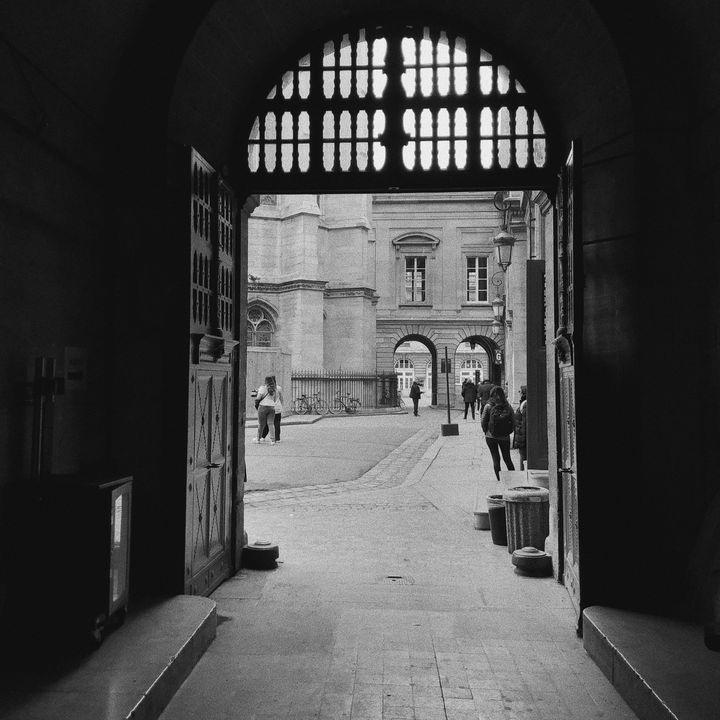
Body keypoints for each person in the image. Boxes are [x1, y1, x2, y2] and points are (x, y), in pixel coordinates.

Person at [481, 385, 516, 481]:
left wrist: (486, 431)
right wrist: (509, 431)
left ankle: (500, 480)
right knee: (507, 458)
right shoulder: (507, 406)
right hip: (504, 436)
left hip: (490, 436)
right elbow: (513, 420)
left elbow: (483, 421)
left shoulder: (488, 406)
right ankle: (514, 479)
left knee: (496, 459)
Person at [253, 375, 276, 444]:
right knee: (271, 424)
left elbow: (258, 398)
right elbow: (274, 399)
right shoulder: (274, 389)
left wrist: (257, 394)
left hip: (263, 406)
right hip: (272, 407)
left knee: (261, 424)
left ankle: (258, 439)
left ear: (265, 381)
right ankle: (272, 440)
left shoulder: (262, 388)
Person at [261, 375, 283, 443]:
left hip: (270, 407)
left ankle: (263, 436)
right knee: (277, 423)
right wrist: (281, 405)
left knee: (268, 423)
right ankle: (277, 438)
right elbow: (281, 398)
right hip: (278, 407)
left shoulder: (267, 388)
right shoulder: (279, 388)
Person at [513, 385, 527, 471]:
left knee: (523, 458)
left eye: (520, 391)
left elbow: (525, 423)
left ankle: (523, 476)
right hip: (521, 434)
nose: (519, 393)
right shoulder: (524, 403)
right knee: (523, 457)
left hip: (522, 435)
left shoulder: (525, 404)